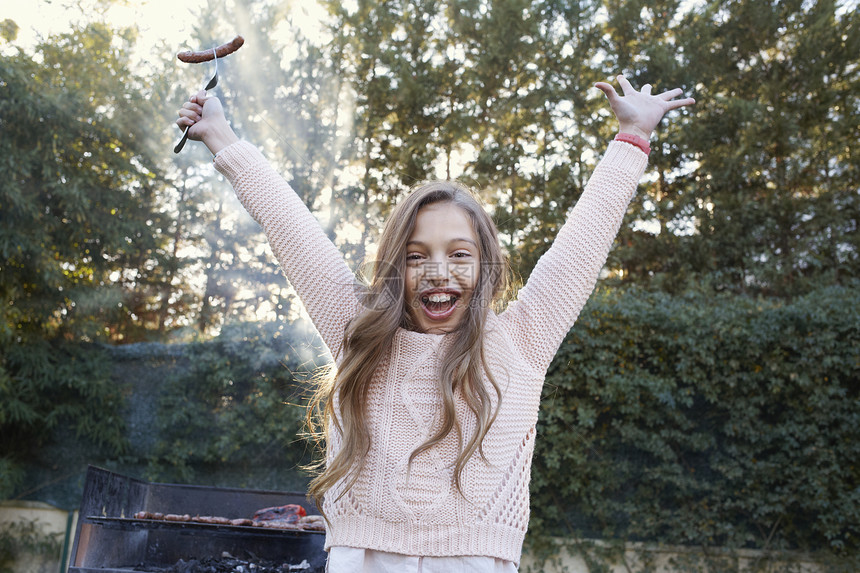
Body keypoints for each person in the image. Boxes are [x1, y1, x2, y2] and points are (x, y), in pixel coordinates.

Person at [177, 75, 694, 572]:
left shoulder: (519, 344)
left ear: (485, 265)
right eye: (417, 256)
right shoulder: (358, 331)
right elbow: (292, 229)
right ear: (395, 268)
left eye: (459, 254)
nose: (437, 272)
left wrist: (633, 137)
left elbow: (579, 249)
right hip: (362, 557)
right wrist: (221, 136)